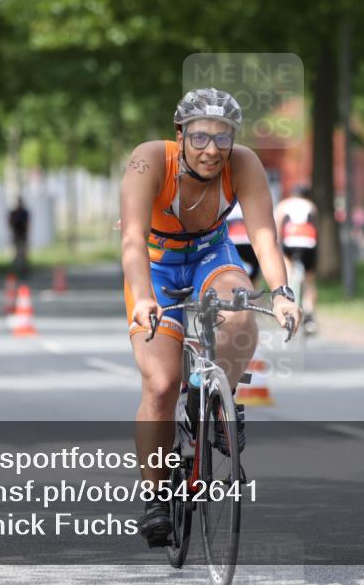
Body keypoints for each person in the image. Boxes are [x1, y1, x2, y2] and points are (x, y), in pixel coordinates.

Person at [120, 88, 302, 547]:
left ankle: (217, 398)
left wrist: (282, 294)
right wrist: (142, 297)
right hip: (155, 265)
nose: (212, 150)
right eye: (200, 137)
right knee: (161, 383)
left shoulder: (243, 163)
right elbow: (132, 240)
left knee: (239, 309)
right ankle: (156, 497)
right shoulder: (148, 161)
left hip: (210, 255)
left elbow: (263, 235)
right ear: (180, 134)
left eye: (223, 138)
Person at [274, 184, 319, 333]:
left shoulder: (283, 205)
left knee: (287, 270)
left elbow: (278, 226)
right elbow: (315, 226)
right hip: (309, 242)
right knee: (309, 281)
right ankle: (310, 317)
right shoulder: (311, 205)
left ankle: (287, 305)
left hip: (290, 241)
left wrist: (279, 245)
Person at [225, 202, 261, 285]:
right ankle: (253, 287)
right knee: (254, 271)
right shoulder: (249, 207)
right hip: (248, 241)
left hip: (233, 242)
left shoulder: (227, 207)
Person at [8, 196, 30, 278]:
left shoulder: (24, 213)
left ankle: (23, 270)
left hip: (23, 235)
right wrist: (14, 232)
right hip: (16, 235)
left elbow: (27, 223)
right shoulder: (14, 213)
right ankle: (15, 271)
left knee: (23, 253)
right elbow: (10, 223)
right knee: (17, 253)